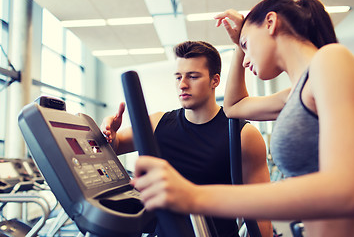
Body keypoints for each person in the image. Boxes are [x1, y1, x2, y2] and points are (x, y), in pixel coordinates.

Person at [131, 0, 354, 236]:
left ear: (270, 22)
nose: (247, 58)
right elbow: (234, 107)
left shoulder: (330, 59)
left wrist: (194, 195)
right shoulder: (296, 94)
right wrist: (239, 45)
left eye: (246, 45)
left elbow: (346, 190)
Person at [101, 41, 272, 237]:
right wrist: (109, 132)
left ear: (215, 81)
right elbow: (115, 145)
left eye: (193, 76)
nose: (182, 84)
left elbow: (261, 214)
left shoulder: (244, 135)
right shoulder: (157, 123)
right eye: (178, 77)